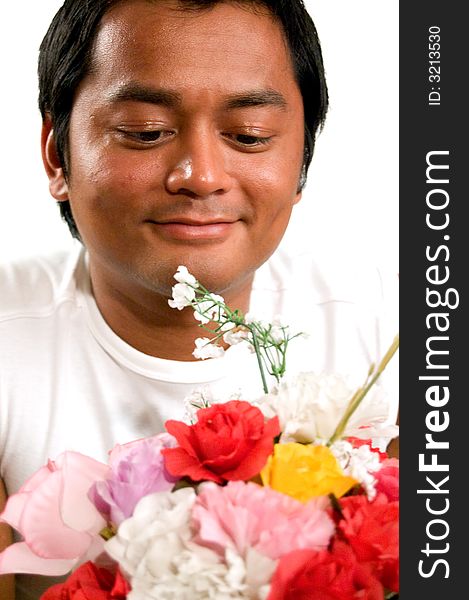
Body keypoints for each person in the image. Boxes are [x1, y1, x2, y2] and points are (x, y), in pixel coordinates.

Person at [0, 1, 398, 598]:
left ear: (303, 163)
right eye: (145, 132)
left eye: (248, 136)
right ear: (58, 154)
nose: (201, 174)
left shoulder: (391, 329)